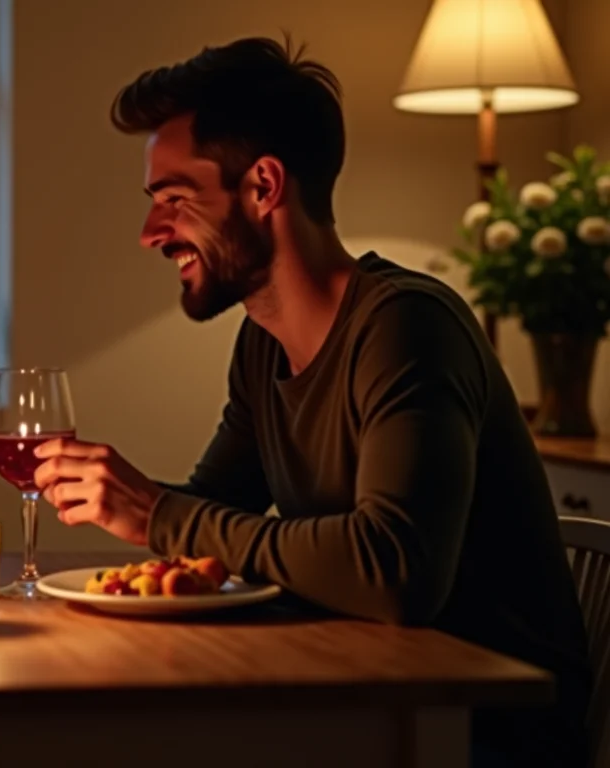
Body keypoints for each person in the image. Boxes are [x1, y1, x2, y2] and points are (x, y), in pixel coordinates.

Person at [32, 36, 591, 768]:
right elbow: (212, 511)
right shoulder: (263, 344)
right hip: (366, 689)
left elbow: (395, 572)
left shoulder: (407, 326)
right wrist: (128, 504)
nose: (149, 234)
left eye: (173, 199)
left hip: (483, 730)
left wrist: (163, 516)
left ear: (263, 187)